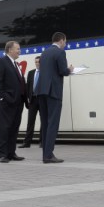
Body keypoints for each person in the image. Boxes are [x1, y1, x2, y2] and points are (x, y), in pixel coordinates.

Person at [34, 32, 73, 163]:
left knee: (45, 123)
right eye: (65, 41)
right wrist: (70, 70)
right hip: (53, 92)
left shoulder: (44, 52)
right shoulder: (60, 52)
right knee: (53, 123)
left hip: (41, 91)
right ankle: (48, 155)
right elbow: (62, 71)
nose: (65, 44)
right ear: (61, 40)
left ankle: (45, 154)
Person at [0, 40, 26, 163]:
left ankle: (11, 153)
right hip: (7, 101)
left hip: (18, 101)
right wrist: (3, 98)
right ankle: (1, 154)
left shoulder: (16, 64)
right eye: (17, 49)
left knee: (14, 128)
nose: (19, 51)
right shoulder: (1, 61)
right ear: (10, 50)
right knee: (5, 127)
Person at [18, 55, 42, 148]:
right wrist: (28, 99)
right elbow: (28, 87)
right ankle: (27, 142)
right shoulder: (31, 73)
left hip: (42, 100)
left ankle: (42, 142)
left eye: (39, 62)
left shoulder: (45, 73)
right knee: (30, 122)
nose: (37, 63)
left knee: (43, 122)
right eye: (36, 62)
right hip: (33, 100)